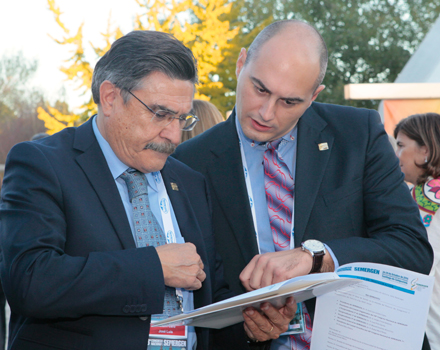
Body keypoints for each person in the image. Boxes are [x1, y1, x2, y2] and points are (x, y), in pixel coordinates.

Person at [0, 30, 295, 350]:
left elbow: (209, 301)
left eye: (182, 119)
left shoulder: (190, 182)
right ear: (110, 97)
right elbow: (30, 280)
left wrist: (252, 324)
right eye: (160, 114)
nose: (173, 135)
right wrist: (153, 267)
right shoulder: (44, 164)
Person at [173, 19, 433, 349]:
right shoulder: (188, 162)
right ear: (241, 64)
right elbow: (201, 294)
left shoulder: (357, 134)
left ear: (314, 96)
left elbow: (413, 249)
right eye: (260, 89)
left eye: (289, 102)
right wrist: (251, 329)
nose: (266, 112)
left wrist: (317, 258)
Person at [394, 112, 440, 350]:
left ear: (426, 151)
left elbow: (421, 269)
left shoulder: (425, 200)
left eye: (401, 145)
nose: (396, 155)